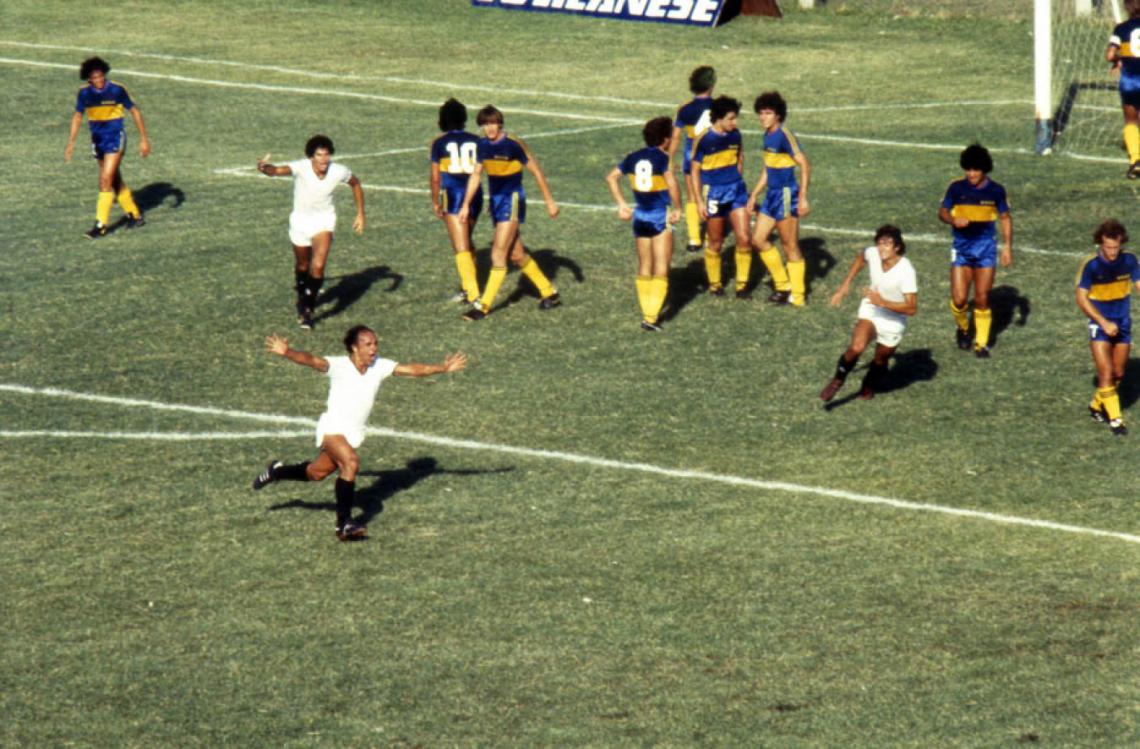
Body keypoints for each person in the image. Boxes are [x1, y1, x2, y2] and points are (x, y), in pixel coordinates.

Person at [251, 325, 467, 540]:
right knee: (351, 462)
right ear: (354, 348)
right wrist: (287, 352)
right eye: (368, 344)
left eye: (375, 343)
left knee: (316, 473)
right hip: (332, 428)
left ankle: (276, 472)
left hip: (353, 433)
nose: (373, 348)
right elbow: (312, 360)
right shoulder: (339, 366)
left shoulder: (380, 366)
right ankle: (344, 523)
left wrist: (442, 368)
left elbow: (411, 369)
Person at [459, 105, 561, 321]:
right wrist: (466, 204)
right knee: (516, 255)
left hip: (512, 200)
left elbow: (537, 172)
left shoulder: (513, 144)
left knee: (498, 253)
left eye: (493, 123)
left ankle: (483, 306)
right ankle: (549, 293)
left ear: (500, 123)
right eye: (485, 124)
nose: (489, 128)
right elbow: (476, 176)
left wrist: (549, 201)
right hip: (496, 202)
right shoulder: (482, 145)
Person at [257, 135, 365, 330]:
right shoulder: (301, 167)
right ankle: (302, 292)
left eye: (327, 155)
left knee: (318, 266)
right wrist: (265, 168)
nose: (324, 159)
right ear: (311, 157)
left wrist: (360, 214)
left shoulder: (339, 171)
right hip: (300, 222)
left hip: (324, 222)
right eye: (319, 155)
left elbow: (356, 184)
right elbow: (277, 171)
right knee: (302, 265)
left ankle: (307, 308)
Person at [820, 225, 917, 402]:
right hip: (872, 308)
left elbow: (911, 308)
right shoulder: (873, 253)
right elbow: (861, 257)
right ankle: (837, 381)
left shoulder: (906, 271)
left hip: (894, 319)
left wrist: (884, 302)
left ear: (897, 247)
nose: (881, 248)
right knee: (856, 347)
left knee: (880, 360)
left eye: (887, 244)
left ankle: (868, 384)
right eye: (879, 243)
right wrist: (845, 285)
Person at [605, 116, 683, 331]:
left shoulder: (632, 157)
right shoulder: (664, 158)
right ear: (665, 139)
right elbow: (672, 184)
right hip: (660, 215)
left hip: (640, 215)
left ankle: (647, 314)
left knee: (644, 265)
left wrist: (622, 205)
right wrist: (678, 208)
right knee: (661, 266)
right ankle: (650, 317)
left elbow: (611, 177)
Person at [939, 143, 1013, 358]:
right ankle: (963, 328)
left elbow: (1005, 218)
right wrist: (953, 219)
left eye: (976, 170)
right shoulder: (956, 188)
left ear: (984, 170)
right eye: (968, 169)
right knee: (960, 299)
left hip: (985, 250)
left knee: (981, 298)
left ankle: (981, 343)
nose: (971, 174)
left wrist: (1007, 247)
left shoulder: (996, 191)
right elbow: (942, 212)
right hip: (961, 249)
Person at [64, 56, 151, 239]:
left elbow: (134, 111)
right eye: (95, 78)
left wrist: (144, 139)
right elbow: (78, 116)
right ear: (89, 79)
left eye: (101, 76)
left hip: (115, 138)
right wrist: (71, 142)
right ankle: (135, 215)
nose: (99, 80)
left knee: (105, 180)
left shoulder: (117, 90)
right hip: (98, 140)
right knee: (113, 180)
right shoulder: (84, 94)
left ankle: (100, 225)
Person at [1075, 219, 1140, 436]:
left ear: (1121, 243)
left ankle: (1096, 405)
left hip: (1122, 323)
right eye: (1107, 247)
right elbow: (1082, 298)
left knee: (1118, 372)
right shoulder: (1091, 265)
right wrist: (1103, 322)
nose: (1112, 252)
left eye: (1115, 247)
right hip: (1100, 323)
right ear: (1100, 243)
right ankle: (1115, 420)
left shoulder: (1130, 261)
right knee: (1106, 371)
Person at [747, 91, 811, 307]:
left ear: (778, 115)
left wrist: (802, 198)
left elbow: (804, 163)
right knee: (758, 240)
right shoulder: (767, 135)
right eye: (761, 113)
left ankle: (799, 296)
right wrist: (755, 194)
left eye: (768, 113)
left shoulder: (784, 135)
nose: (763, 117)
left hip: (786, 195)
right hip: (771, 196)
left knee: (789, 244)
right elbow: (769, 167)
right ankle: (783, 285)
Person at [690, 96, 752, 298]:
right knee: (716, 242)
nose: (735, 123)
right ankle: (715, 284)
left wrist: (737, 178)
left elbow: (740, 158)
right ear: (718, 119)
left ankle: (742, 286)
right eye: (731, 118)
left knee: (744, 238)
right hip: (714, 193)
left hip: (736, 190)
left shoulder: (736, 135)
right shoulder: (705, 139)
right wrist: (699, 201)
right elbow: (694, 171)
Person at [430, 98, 484, 305]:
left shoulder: (439, 143)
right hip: (475, 195)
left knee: (460, 246)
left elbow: (435, 177)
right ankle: (469, 286)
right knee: (467, 241)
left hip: (453, 195)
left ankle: (472, 294)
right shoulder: (477, 140)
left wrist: (435, 200)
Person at [668, 65, 716, 254]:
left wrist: (670, 159)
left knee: (691, 195)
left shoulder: (685, 108)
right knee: (711, 194)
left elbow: (676, 136)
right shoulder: (718, 105)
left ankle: (694, 238)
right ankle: (708, 236)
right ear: (711, 85)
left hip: (691, 152)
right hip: (713, 152)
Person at [1106, 0, 1140, 179]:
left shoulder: (1121, 28)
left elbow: (1110, 55)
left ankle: (1135, 160)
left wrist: (1120, 59)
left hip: (1129, 81)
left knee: (1131, 120)